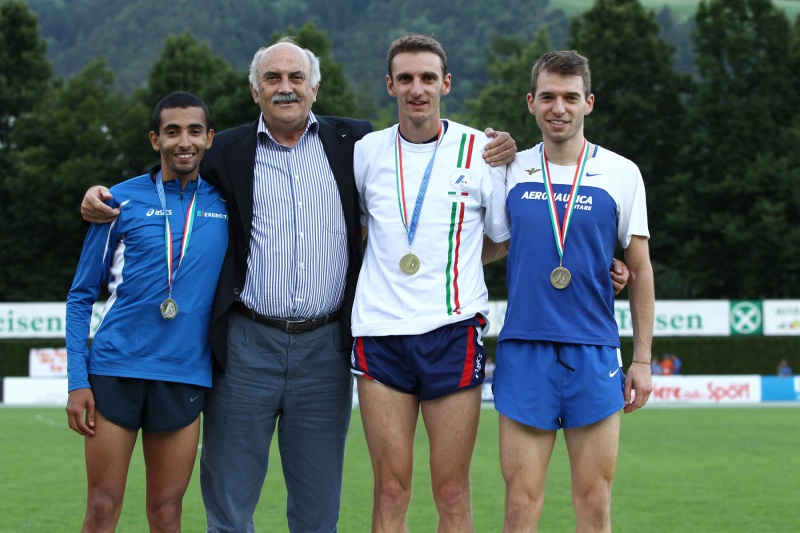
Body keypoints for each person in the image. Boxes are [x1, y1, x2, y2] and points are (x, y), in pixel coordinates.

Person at [80, 36, 516, 532]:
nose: (285, 87)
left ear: (314, 88)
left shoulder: (354, 142)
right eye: (273, 78)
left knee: (317, 509)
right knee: (229, 502)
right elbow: (173, 168)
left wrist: (499, 146)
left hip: (325, 347)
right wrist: (103, 195)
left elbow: (426, 183)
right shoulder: (225, 150)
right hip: (246, 345)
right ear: (255, 91)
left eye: (296, 77)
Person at [349, 35, 629, 532]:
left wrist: (597, 264)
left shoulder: (483, 150)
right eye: (406, 78)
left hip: (454, 329)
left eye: (428, 78)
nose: (417, 89)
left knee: (451, 491)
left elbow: (505, 238)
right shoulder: (365, 152)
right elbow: (354, 233)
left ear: (446, 84)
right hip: (380, 330)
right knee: (389, 489)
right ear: (390, 85)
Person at [492, 50, 655, 532]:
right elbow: (488, 247)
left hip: (594, 349)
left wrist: (643, 360)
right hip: (524, 348)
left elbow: (640, 269)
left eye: (569, 97)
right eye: (547, 97)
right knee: (520, 504)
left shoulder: (621, 173)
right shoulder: (508, 168)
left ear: (588, 102)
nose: (558, 108)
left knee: (594, 503)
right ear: (531, 103)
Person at [66, 92, 227, 532]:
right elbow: (80, 296)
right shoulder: (117, 201)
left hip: (184, 374)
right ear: (156, 140)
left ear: (209, 138)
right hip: (115, 371)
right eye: (172, 132)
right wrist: (78, 381)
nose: (184, 142)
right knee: (102, 507)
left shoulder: (227, 204)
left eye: (194, 131)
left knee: (167, 512)